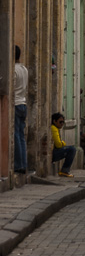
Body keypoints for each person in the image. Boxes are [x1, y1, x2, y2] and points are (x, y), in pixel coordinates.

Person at [14, 45, 28, 174]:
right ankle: (23, 164)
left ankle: (18, 165)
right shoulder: (24, 69)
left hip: (15, 104)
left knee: (16, 135)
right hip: (23, 103)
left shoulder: (13, 70)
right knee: (21, 136)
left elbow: (10, 87)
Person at [51, 113, 76, 177]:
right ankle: (64, 171)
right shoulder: (54, 129)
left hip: (54, 151)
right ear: (54, 121)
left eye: (63, 122)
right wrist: (63, 143)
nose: (62, 124)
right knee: (72, 149)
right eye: (60, 122)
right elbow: (58, 145)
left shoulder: (56, 128)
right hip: (53, 153)